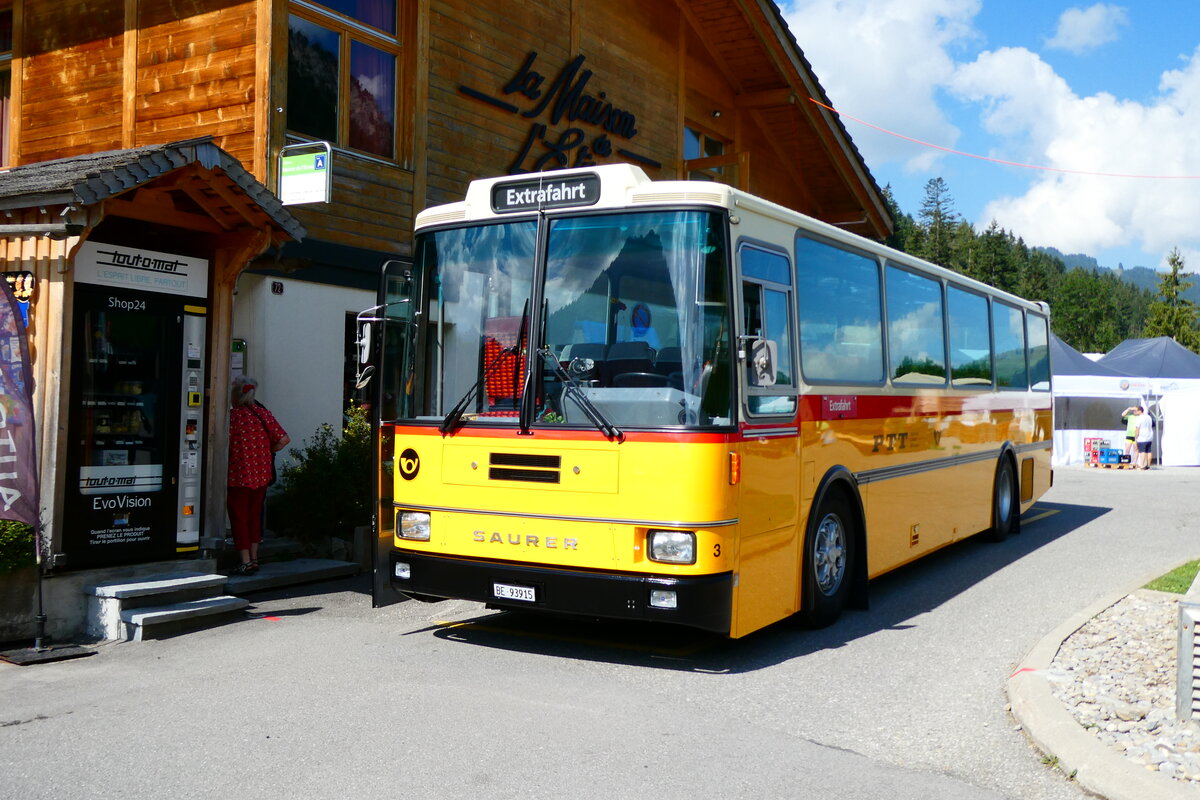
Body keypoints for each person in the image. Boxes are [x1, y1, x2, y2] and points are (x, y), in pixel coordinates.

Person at [227, 375, 289, 574]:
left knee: (239, 517)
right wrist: (266, 450)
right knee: (254, 516)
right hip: (261, 474)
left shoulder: (233, 416)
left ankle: (245, 561)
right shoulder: (263, 414)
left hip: (238, 474)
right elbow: (284, 439)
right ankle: (254, 558)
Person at [1133, 405, 1154, 470]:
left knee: (1142, 451)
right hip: (1149, 436)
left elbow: (1137, 429)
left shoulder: (1139, 418)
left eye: (1135, 411)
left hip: (1142, 437)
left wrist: (1136, 437)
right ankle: (1148, 465)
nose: (1134, 412)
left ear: (1140, 411)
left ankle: (1142, 465)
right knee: (1149, 451)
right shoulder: (1148, 417)